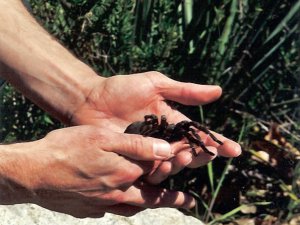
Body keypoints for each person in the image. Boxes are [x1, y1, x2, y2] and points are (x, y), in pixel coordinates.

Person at [0, 0, 241, 218]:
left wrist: (85, 94)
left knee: (186, 129)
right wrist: (26, 173)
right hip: (134, 130)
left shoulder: (163, 127)